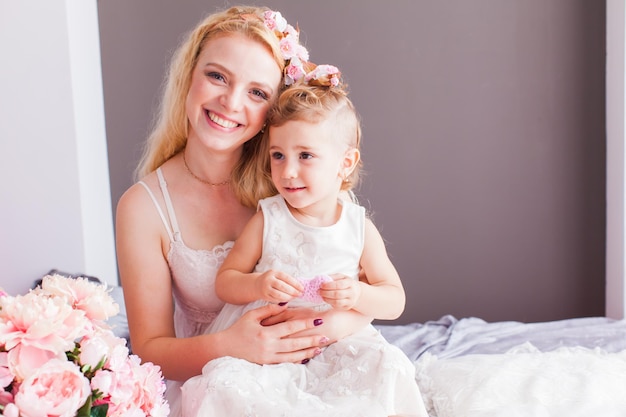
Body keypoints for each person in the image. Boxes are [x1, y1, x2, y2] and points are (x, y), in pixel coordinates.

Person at [115, 6, 375, 417]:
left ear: (273, 110)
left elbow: (363, 286)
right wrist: (232, 346)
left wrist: (328, 331)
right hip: (221, 385)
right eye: (217, 76)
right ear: (189, 76)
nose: (231, 102)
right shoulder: (145, 208)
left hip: (317, 366)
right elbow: (150, 352)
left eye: (257, 92)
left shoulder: (290, 177)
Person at [180, 69, 428, 416]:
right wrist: (258, 283)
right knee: (229, 389)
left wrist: (357, 294)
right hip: (270, 350)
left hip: (339, 344)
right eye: (278, 155)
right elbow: (226, 282)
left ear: (345, 163)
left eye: (305, 156)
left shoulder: (357, 228)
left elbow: (394, 299)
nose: (288, 171)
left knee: (388, 370)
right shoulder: (269, 218)